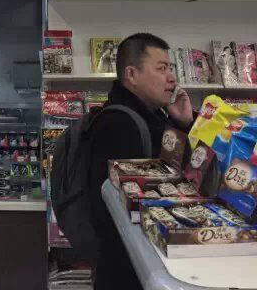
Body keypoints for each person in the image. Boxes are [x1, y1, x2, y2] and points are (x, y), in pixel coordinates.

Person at [83, 33, 194, 290]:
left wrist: (181, 123)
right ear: (132, 74)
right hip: (128, 268)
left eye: (171, 68)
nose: (172, 78)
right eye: (162, 68)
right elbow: (135, 206)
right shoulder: (119, 123)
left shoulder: (150, 116)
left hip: (143, 263)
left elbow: (171, 174)